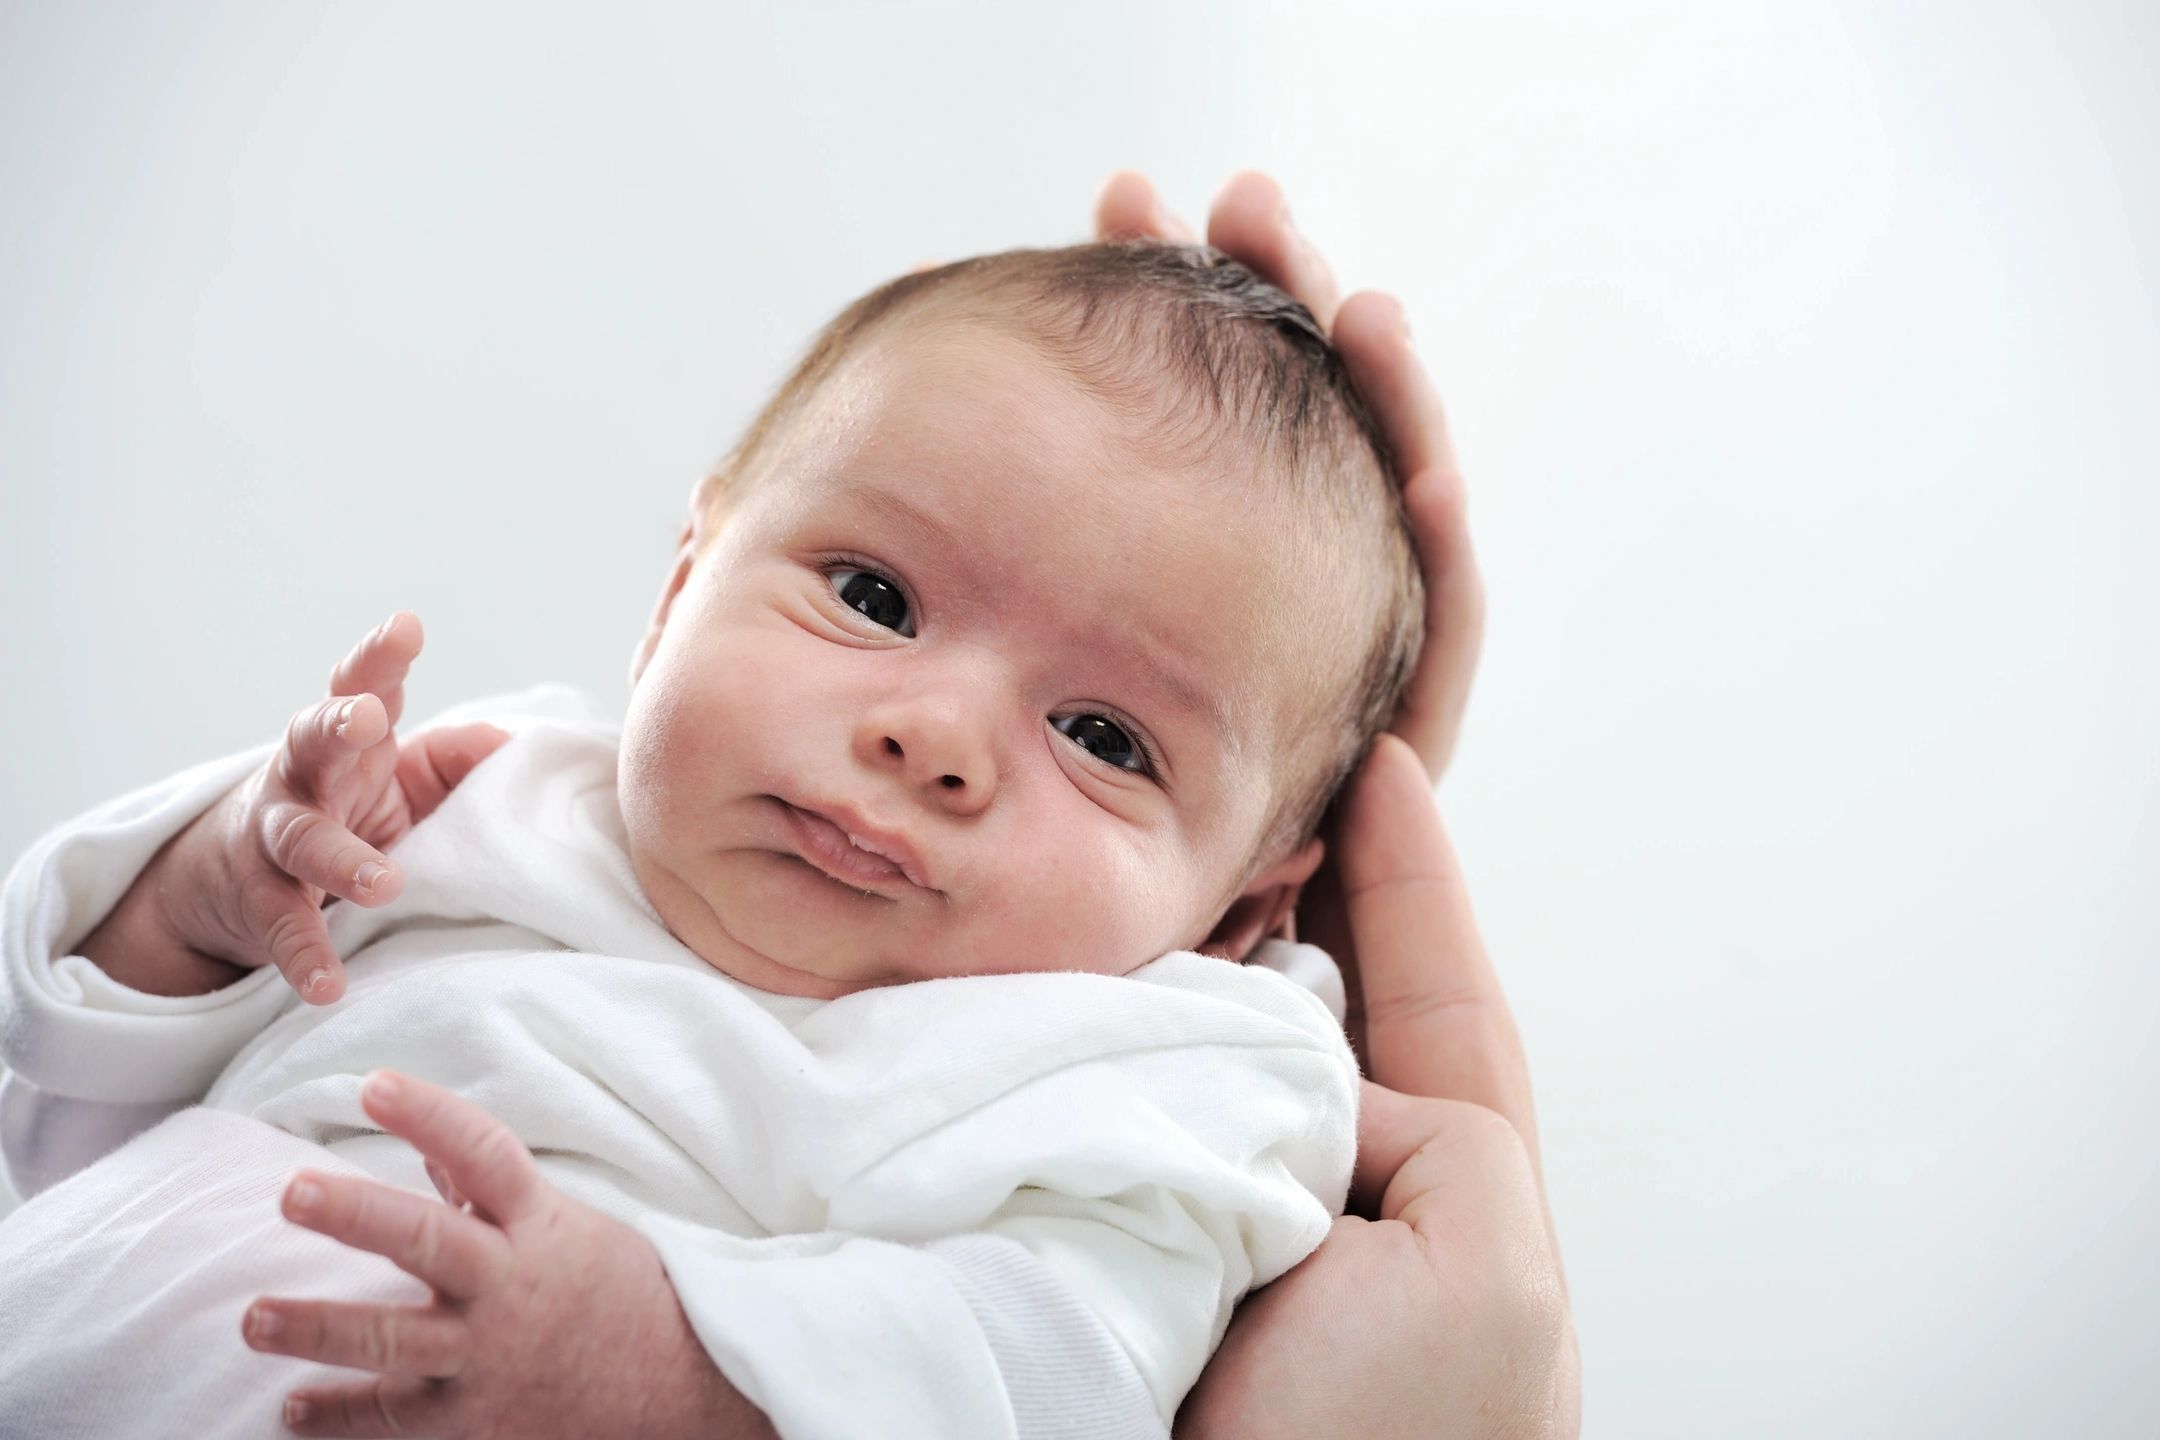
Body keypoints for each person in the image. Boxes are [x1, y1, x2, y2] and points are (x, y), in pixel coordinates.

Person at [0, 172, 1580, 1439]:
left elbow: (1056, 1365)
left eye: (1104, 735)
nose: (933, 737)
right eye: (876, 596)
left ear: (1240, 915)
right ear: (677, 590)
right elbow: (68, 1101)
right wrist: (206, 896)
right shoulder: (486, 788)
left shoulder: (1163, 1080)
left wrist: (671, 1378)